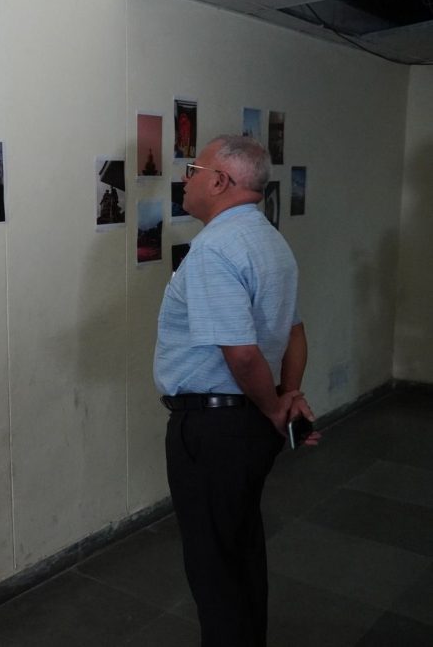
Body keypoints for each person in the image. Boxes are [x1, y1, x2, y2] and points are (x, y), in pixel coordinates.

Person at [154, 135, 318, 647]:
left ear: (220, 181)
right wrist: (287, 396)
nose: (185, 179)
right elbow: (295, 332)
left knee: (214, 570)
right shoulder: (270, 240)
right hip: (246, 424)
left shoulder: (215, 248)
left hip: (214, 428)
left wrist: (274, 407)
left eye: (193, 169)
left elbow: (242, 354)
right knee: (241, 551)